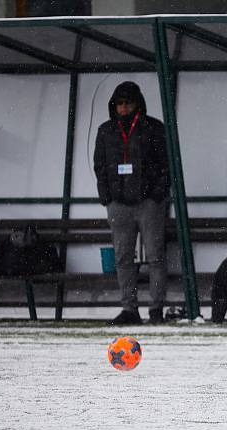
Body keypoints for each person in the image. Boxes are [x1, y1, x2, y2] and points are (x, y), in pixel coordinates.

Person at [93, 81, 169, 325]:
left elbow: (166, 164)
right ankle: (129, 309)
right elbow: (100, 166)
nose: (123, 108)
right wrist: (107, 196)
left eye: (128, 103)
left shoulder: (153, 128)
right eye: (119, 103)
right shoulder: (106, 131)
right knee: (122, 257)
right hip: (119, 203)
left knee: (156, 256)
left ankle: (156, 308)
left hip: (149, 203)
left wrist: (157, 194)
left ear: (138, 104)